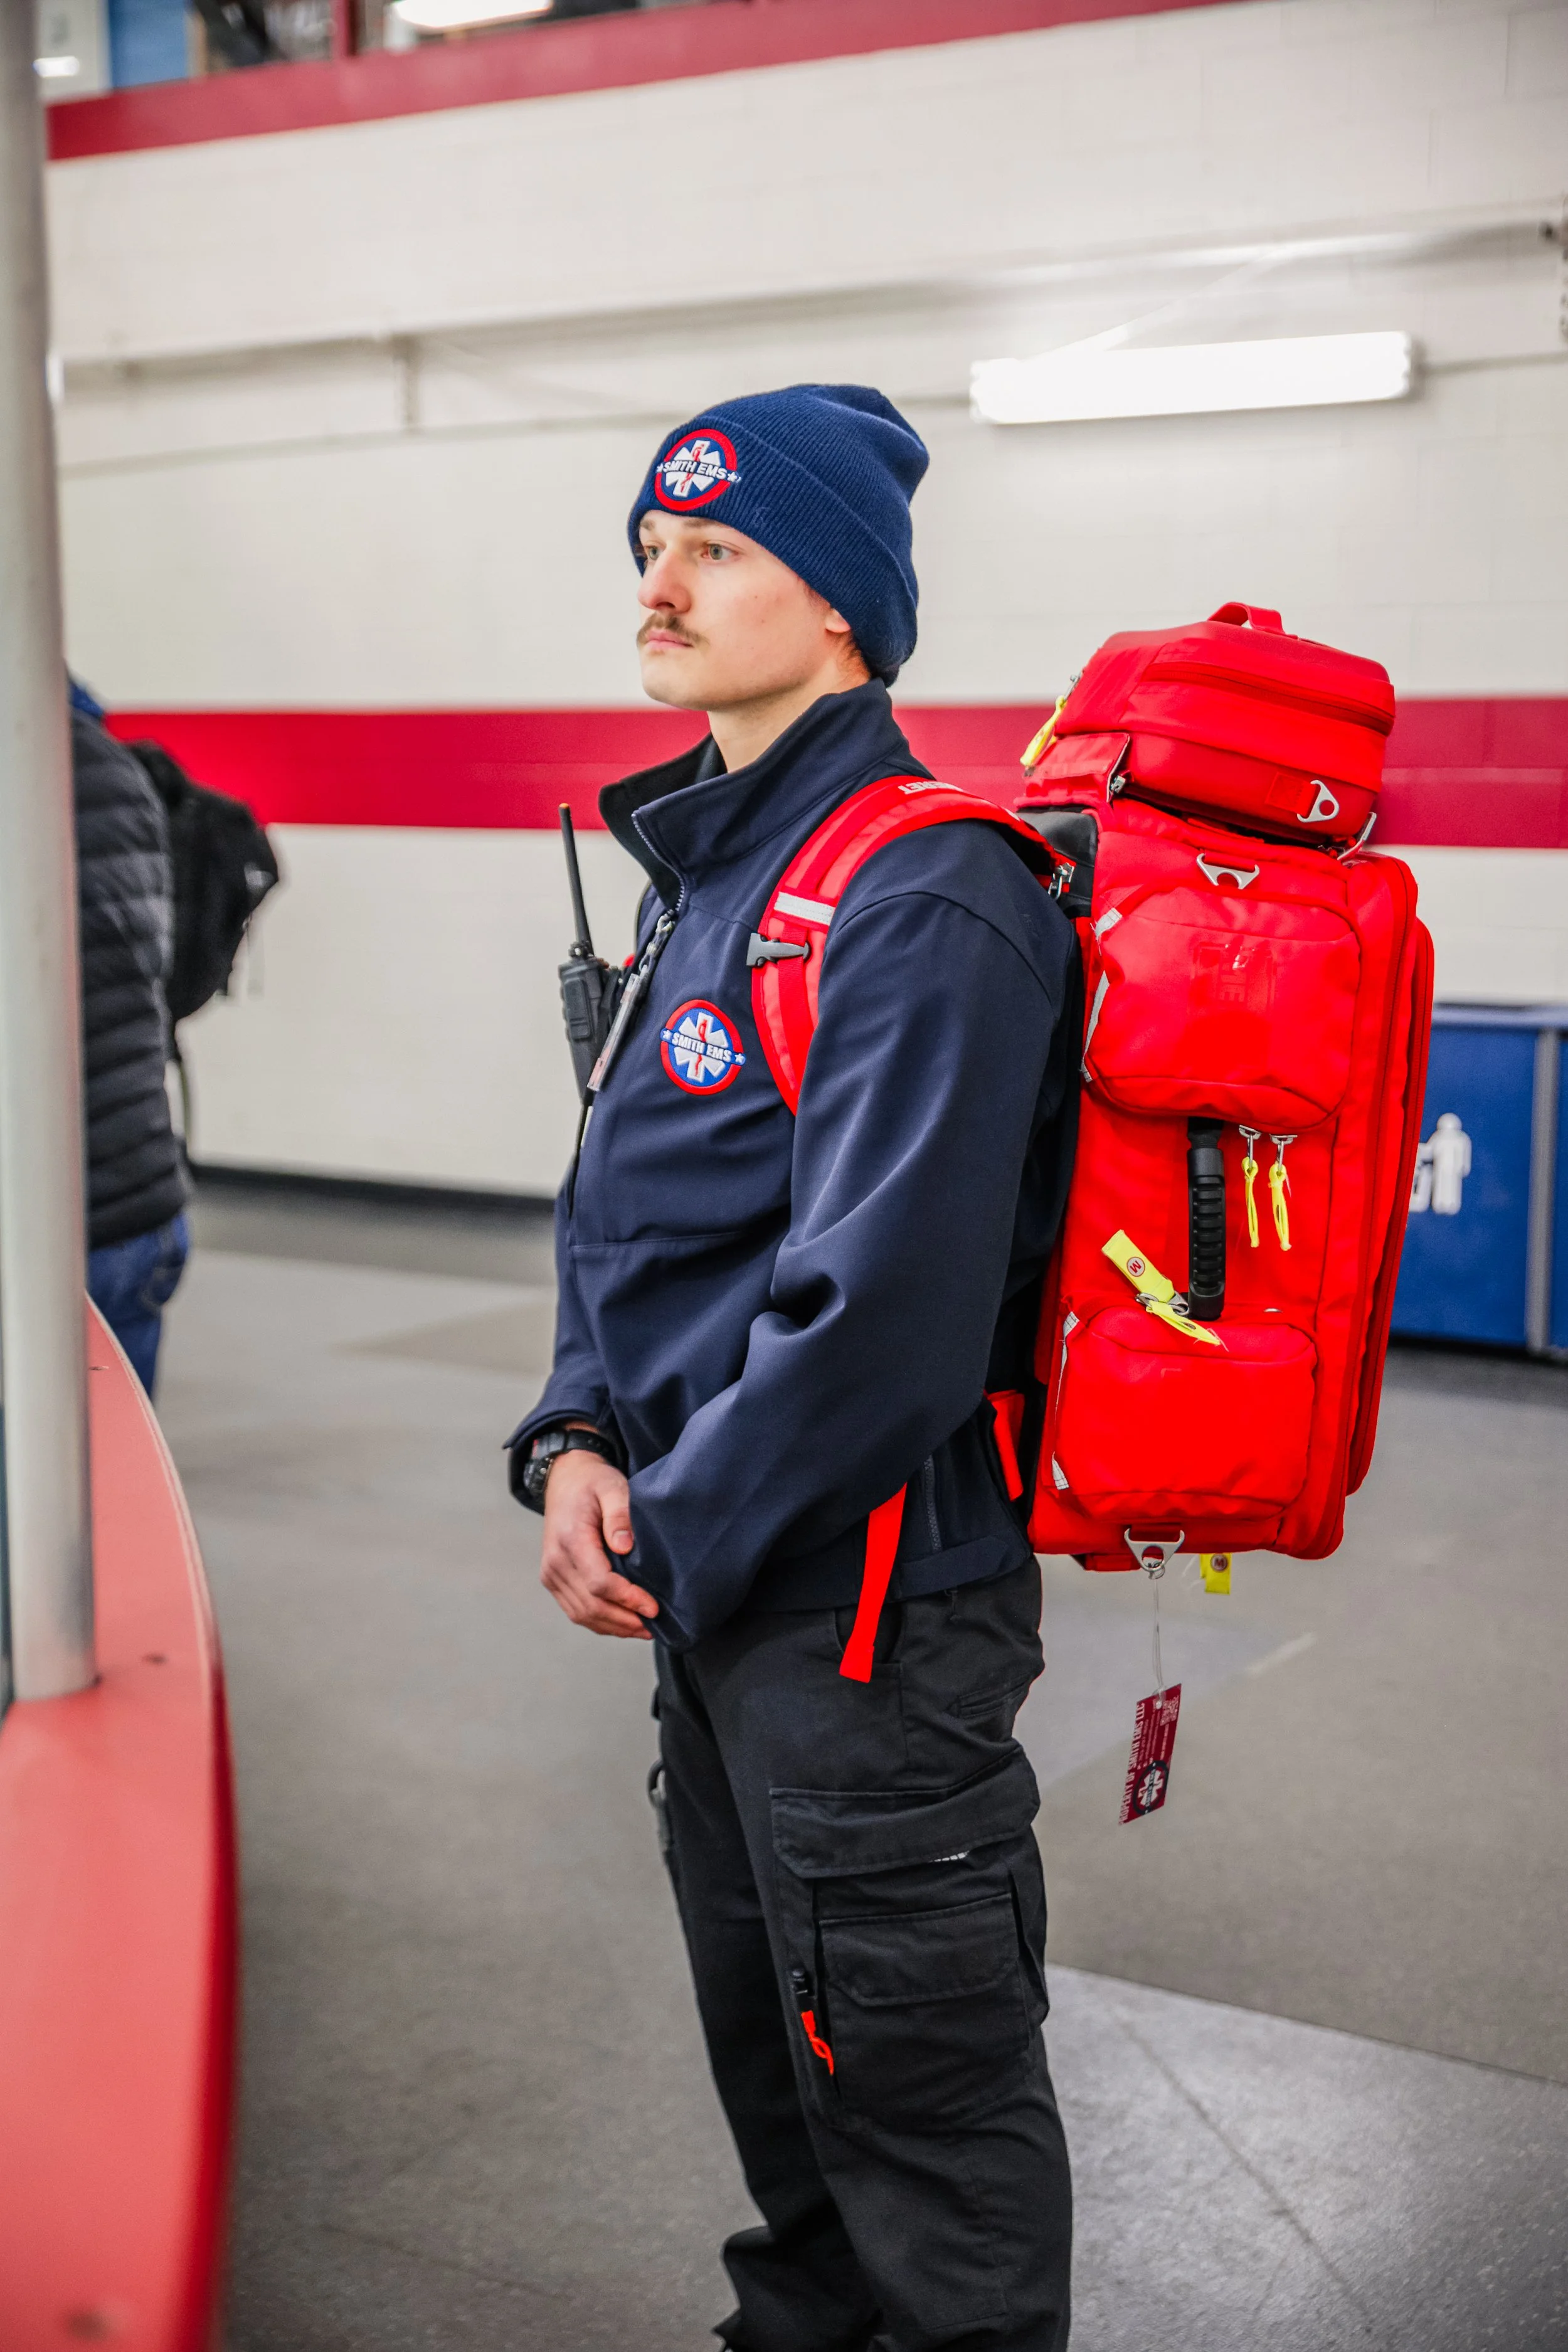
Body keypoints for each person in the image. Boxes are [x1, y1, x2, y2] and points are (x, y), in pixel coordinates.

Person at [509, 386, 1078, 2351]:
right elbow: (632, 1197)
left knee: (919, 2133)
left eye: (716, 549)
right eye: (649, 549)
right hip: (727, 1597)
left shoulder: (926, 887)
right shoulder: (714, 872)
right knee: (789, 2099)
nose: (659, 586)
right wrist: (573, 1427)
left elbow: (886, 1315)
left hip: (865, 1628)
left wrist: (662, 1519)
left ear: (840, 602)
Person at [71, 679, 190, 1397]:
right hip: (136, 1199)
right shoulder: (113, 767)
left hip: (54, 1218)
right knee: (113, 1496)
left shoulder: (30, 773)